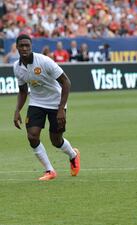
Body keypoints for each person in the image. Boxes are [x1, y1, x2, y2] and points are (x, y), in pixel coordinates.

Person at [13, 34, 80, 181]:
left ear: (31, 47)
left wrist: (61, 108)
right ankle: (50, 170)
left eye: (27, 45)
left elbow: (66, 82)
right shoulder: (17, 67)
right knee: (32, 136)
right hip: (37, 102)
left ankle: (73, 155)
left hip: (56, 102)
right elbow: (23, 91)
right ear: (16, 47)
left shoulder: (44, 61)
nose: (24, 48)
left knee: (56, 140)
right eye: (21, 45)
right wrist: (17, 110)